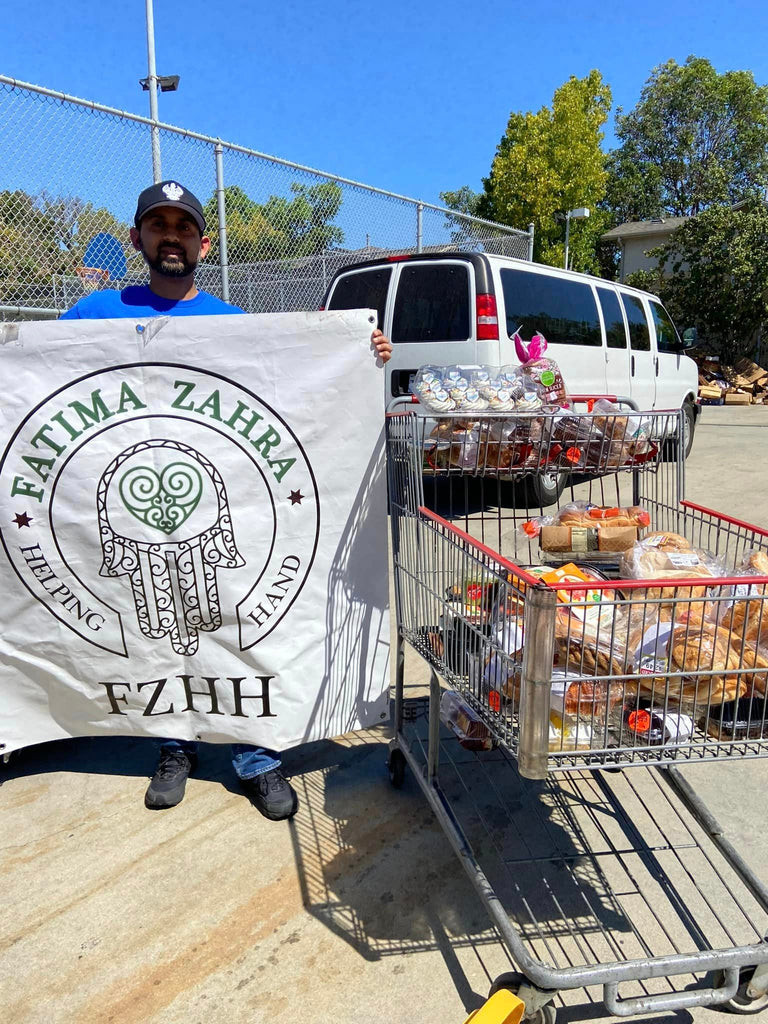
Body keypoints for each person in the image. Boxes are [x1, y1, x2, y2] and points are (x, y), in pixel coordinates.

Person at [61, 179, 392, 819]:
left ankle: (255, 757)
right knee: (153, 626)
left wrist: (362, 353)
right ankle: (172, 748)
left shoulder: (235, 325)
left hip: (213, 503)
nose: (171, 238)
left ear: (203, 243)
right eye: (158, 226)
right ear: (137, 239)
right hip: (131, 508)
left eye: (183, 228)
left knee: (230, 623)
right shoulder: (89, 318)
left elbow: (296, 384)